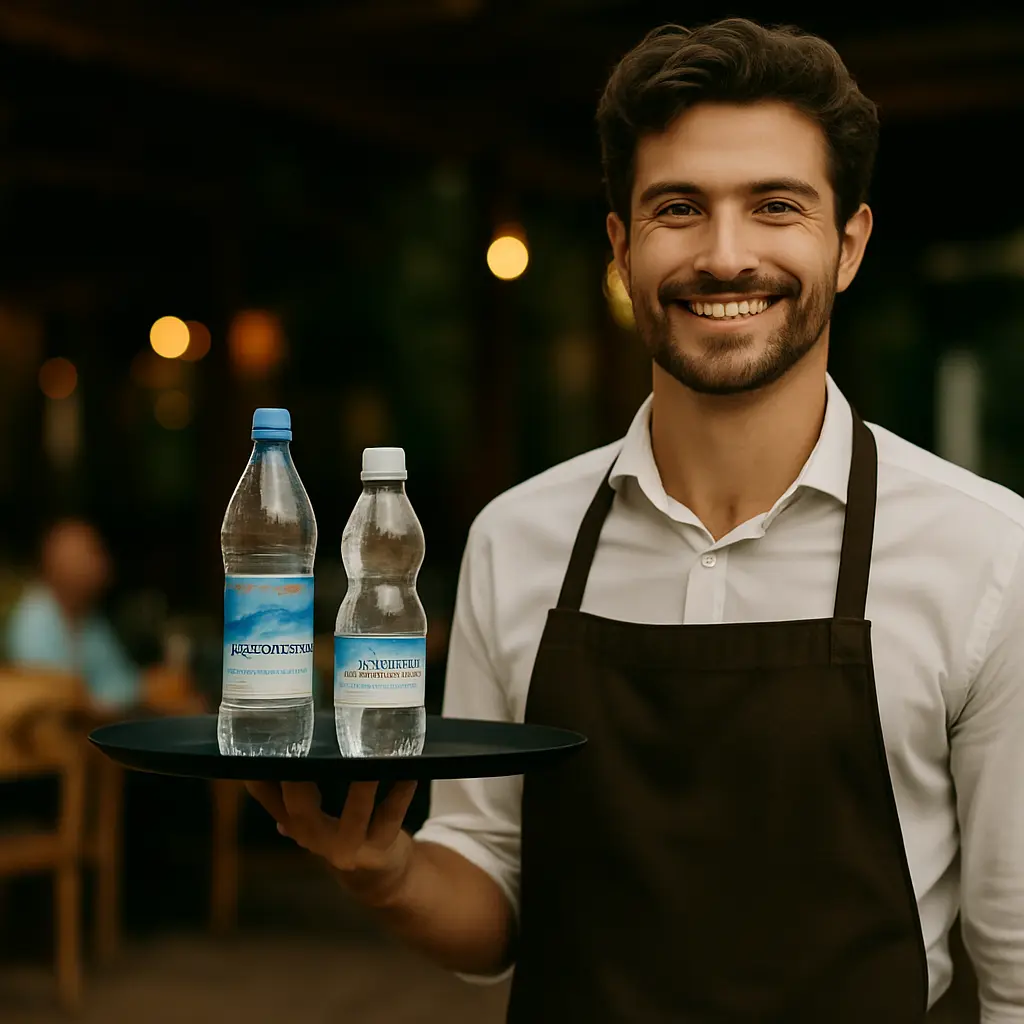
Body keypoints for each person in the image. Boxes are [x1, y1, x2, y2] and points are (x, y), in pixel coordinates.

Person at [247, 18, 1024, 1020]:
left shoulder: (985, 552)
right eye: (678, 209)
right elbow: (489, 889)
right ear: (622, 247)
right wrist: (383, 867)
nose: (725, 254)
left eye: (775, 206)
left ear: (849, 243)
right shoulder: (515, 541)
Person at [5, 518, 199, 714]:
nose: (100, 563)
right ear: (54, 563)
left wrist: (152, 684)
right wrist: (145, 690)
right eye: (87, 554)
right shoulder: (35, 621)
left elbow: (118, 678)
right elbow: (58, 701)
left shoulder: (89, 619)